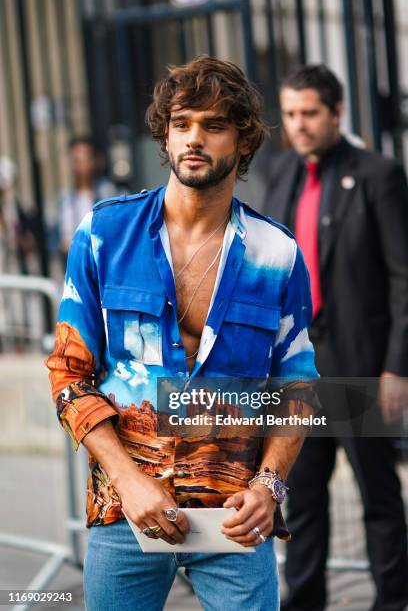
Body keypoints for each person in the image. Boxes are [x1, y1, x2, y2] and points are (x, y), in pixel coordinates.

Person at [46, 56, 319, 611]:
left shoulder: (277, 254)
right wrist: (128, 479)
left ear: (243, 143)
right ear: (165, 135)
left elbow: (297, 387)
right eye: (182, 123)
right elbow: (69, 375)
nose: (194, 138)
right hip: (127, 511)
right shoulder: (104, 234)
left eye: (214, 125)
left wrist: (270, 488)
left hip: (235, 518)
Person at [263, 64, 408, 611]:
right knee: (300, 499)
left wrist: (396, 365)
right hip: (298, 369)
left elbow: (403, 277)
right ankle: (304, 603)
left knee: (377, 494)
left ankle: (392, 601)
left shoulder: (378, 174)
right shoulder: (282, 173)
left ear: (337, 112)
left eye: (310, 114)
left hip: (360, 365)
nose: (298, 125)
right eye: (291, 113)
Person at [56, 136, 115, 259]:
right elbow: (63, 240)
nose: (81, 165)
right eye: (76, 160)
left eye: (85, 159)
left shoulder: (107, 192)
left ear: (94, 161)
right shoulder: (65, 199)